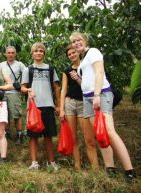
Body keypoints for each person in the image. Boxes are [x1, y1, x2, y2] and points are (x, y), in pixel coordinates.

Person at [70, 32, 136, 180]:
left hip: (100, 95)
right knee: (101, 135)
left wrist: (97, 95)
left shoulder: (93, 52)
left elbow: (100, 72)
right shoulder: (82, 62)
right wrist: (78, 79)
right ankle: (110, 168)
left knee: (110, 132)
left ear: (85, 40)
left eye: (78, 40)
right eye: (73, 42)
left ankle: (129, 170)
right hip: (87, 98)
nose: (76, 43)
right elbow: (85, 84)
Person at [21, 42, 60, 171]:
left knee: (48, 135)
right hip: (34, 107)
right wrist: (28, 91)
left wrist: (58, 105)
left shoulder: (50, 68)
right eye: (36, 51)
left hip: (48, 105)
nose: (38, 53)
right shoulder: (28, 69)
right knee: (33, 136)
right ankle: (34, 162)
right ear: (32, 53)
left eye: (41, 51)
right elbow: (23, 87)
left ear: (44, 53)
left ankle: (51, 162)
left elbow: (56, 87)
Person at [59, 45, 99, 170]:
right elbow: (63, 90)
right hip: (70, 103)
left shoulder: (86, 67)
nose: (72, 55)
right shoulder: (67, 71)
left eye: (74, 52)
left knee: (89, 139)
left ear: (79, 53)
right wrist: (61, 109)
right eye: (69, 54)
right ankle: (77, 167)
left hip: (84, 103)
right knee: (73, 138)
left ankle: (95, 169)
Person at [0, 46, 26, 144]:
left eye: (12, 53)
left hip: (14, 92)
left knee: (16, 114)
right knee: (4, 114)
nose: (10, 54)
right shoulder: (1, 65)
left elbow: (26, 75)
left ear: (15, 54)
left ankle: (19, 134)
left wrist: (22, 87)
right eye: (8, 53)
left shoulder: (20, 64)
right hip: (3, 92)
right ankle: (7, 133)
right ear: (5, 54)